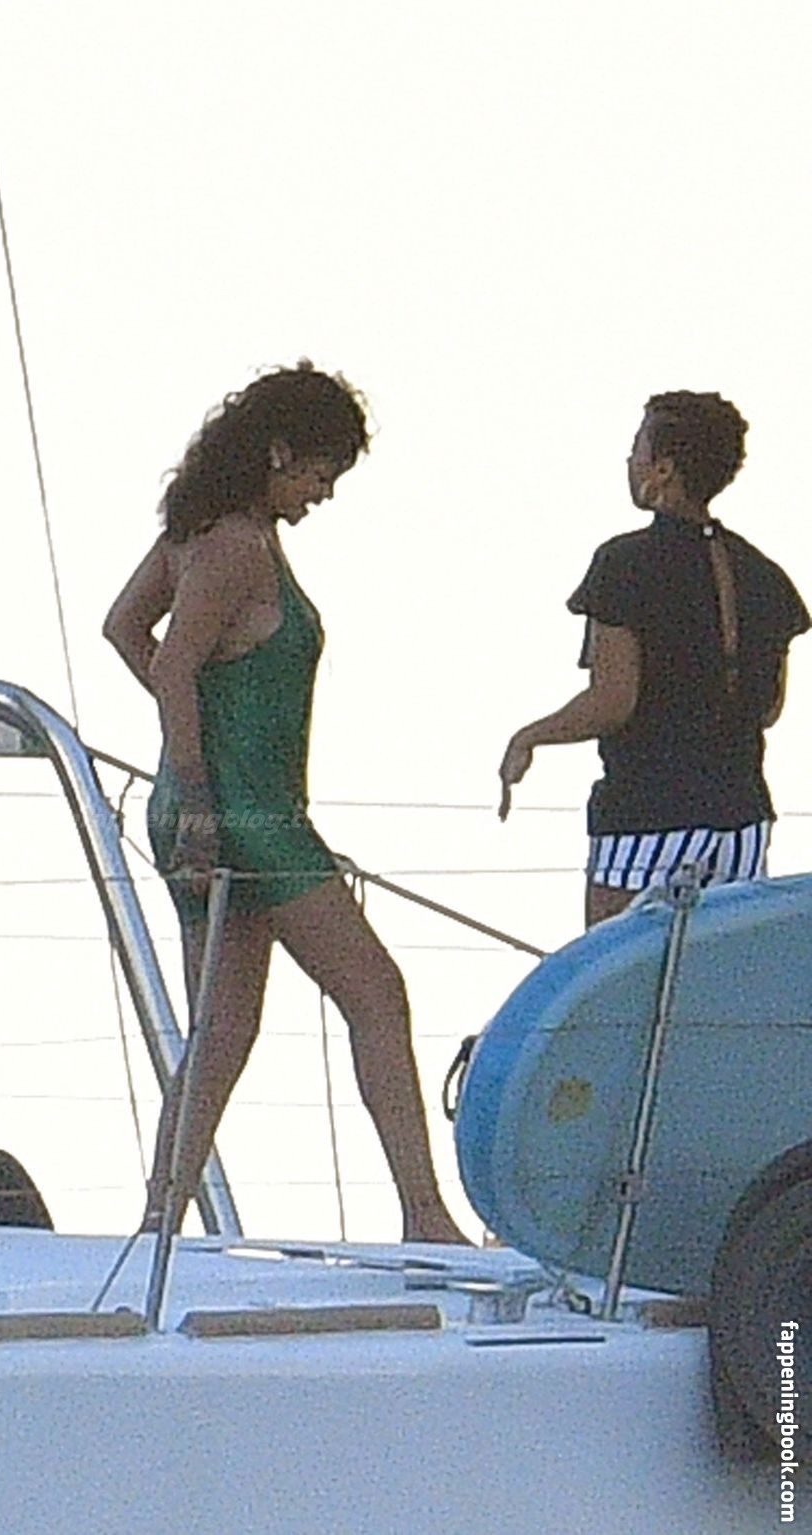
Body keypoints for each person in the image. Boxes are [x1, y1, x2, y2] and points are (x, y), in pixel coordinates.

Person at [104, 362, 468, 1245]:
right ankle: (424, 1215)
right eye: (317, 473)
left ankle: (157, 1222)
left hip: (225, 805)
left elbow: (125, 628)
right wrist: (201, 786)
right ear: (277, 453)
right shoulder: (235, 546)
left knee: (223, 1031)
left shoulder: (198, 534)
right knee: (376, 992)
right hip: (242, 817)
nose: (322, 494)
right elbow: (175, 662)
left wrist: (194, 748)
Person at [499, 392, 807, 927]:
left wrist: (530, 736)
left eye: (637, 447)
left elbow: (612, 701)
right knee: (713, 972)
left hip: (647, 815)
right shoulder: (765, 575)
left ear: (663, 468)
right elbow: (768, 708)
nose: (629, 459)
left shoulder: (624, 564)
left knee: (621, 969)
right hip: (743, 819)